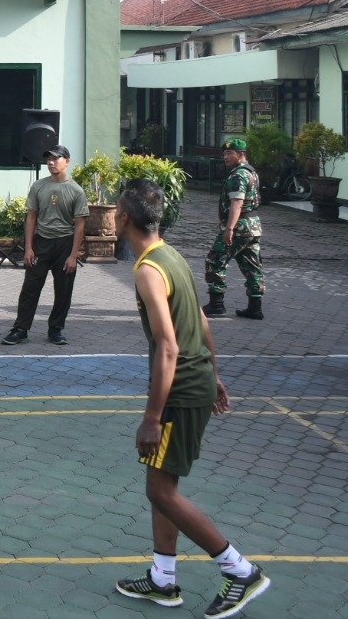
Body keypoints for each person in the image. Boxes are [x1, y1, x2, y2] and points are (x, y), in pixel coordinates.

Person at [112, 179, 272, 617]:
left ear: (124, 218)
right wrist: (214, 375)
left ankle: (238, 569)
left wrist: (151, 417)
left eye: (114, 211)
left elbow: (168, 346)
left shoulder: (148, 269)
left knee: (162, 492)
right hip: (196, 381)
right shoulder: (170, 255)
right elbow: (201, 321)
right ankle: (163, 579)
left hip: (179, 393)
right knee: (161, 486)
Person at [2, 144, 88, 347]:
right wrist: (29, 248)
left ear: (66, 161)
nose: (51, 162)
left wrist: (73, 255)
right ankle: (21, 329)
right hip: (41, 242)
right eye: (48, 159)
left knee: (63, 289)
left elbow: (80, 225)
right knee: (30, 287)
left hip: (65, 244)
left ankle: (56, 329)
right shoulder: (39, 186)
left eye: (56, 158)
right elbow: (31, 217)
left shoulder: (76, 191)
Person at [203, 137, 264, 320]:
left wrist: (229, 228)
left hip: (239, 227)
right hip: (253, 227)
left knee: (215, 261)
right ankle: (255, 307)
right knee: (252, 266)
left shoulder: (238, 175)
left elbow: (236, 203)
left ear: (241, 154)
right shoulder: (251, 172)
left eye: (229, 153)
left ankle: (217, 305)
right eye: (224, 153)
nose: (225, 157)